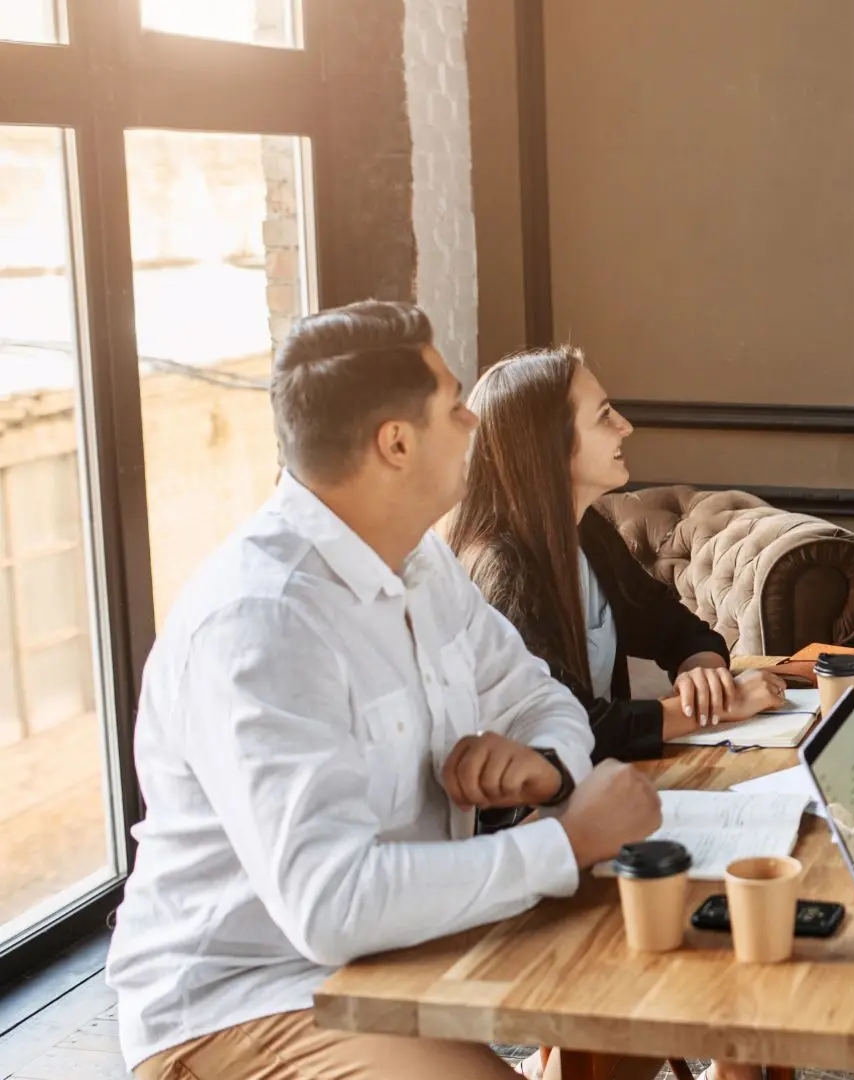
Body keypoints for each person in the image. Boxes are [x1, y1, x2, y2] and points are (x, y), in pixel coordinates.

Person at [106, 301, 666, 1079]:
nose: (474, 422)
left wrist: (544, 763)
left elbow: (540, 700)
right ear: (396, 443)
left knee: (653, 982)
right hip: (251, 999)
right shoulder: (262, 621)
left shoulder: (422, 563)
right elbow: (331, 906)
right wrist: (566, 842)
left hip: (399, 953)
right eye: (456, 405)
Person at [446, 345, 785, 764]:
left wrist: (703, 672)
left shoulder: (586, 532)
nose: (625, 426)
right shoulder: (503, 571)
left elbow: (677, 628)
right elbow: (574, 728)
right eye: (604, 416)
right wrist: (716, 706)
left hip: (607, 775)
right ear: (549, 445)